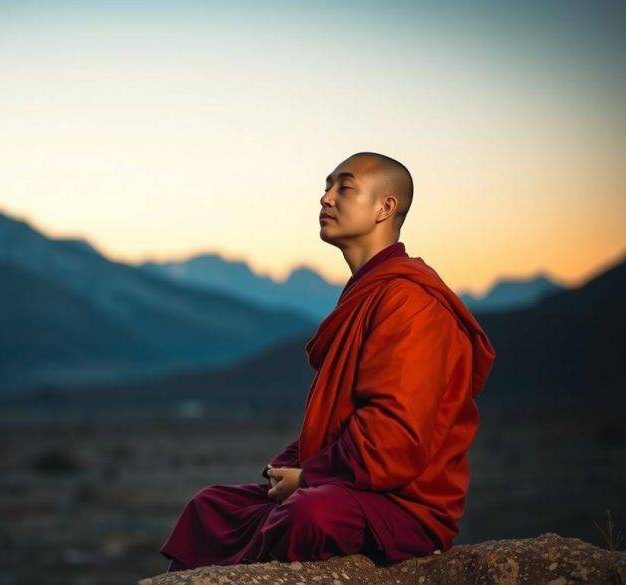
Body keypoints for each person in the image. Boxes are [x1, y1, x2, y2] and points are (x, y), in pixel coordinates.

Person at [159, 152, 497, 571]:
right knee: (210, 508)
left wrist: (308, 478)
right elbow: (336, 420)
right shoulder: (368, 291)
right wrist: (288, 466)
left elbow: (396, 438)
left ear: (385, 207)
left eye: (345, 187)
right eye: (327, 186)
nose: (326, 198)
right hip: (345, 484)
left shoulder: (411, 301)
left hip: (400, 505)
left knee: (307, 515)